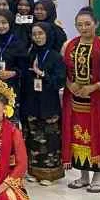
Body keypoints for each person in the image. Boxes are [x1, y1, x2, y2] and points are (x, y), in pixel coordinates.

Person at [61, 9, 100, 192]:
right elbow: (63, 70)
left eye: (87, 24)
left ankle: (97, 177)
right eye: (79, 25)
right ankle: (83, 176)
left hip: (97, 100)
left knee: (97, 135)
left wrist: (93, 87)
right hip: (74, 99)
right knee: (77, 136)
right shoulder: (69, 45)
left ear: (96, 24)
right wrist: (69, 84)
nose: (84, 28)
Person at [22, 22, 65, 186]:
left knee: (49, 138)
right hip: (31, 101)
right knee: (33, 137)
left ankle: (50, 174)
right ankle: (34, 171)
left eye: (40, 33)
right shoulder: (30, 54)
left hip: (49, 103)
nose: (37, 37)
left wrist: (42, 74)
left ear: (47, 34)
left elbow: (60, 81)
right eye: (34, 34)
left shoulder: (55, 56)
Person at [0, 10, 27, 122]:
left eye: (4, 22)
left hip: (12, 87)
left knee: (10, 121)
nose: (0, 26)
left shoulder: (18, 43)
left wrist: (13, 72)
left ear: (10, 23)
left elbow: (24, 66)